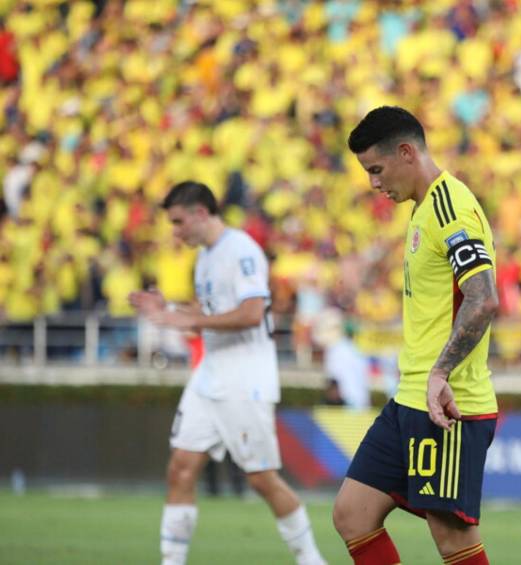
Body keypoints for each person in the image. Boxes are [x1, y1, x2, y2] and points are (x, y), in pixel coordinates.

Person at [332, 106, 499, 565]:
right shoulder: (423, 207)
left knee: (454, 544)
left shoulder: (451, 208)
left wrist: (441, 372)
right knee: (352, 514)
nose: (374, 183)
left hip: (447, 404)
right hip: (410, 397)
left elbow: (483, 298)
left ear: (406, 152)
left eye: (376, 169)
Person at [128, 181, 325, 565]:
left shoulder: (241, 250)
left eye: (179, 222)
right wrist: (168, 308)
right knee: (181, 468)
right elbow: (211, 312)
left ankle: (311, 560)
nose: (176, 231)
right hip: (210, 374)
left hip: (244, 379)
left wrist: (186, 317)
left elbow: (252, 313)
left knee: (261, 479)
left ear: (201, 213)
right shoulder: (204, 256)